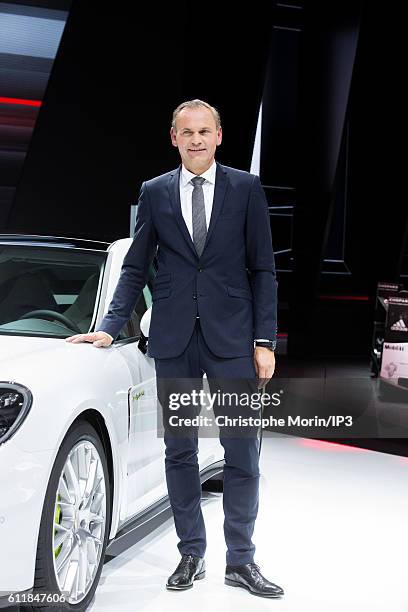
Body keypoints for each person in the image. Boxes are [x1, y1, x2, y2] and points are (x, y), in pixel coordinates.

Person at [66, 99, 284, 598]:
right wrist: (108, 326)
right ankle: (191, 553)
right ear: (173, 138)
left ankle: (241, 561)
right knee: (181, 452)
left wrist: (265, 340)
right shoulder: (156, 192)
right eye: (187, 132)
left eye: (204, 131)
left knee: (242, 455)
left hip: (232, 341)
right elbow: (135, 267)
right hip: (174, 341)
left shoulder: (247, 190)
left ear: (220, 136)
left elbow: (264, 270)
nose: (196, 140)